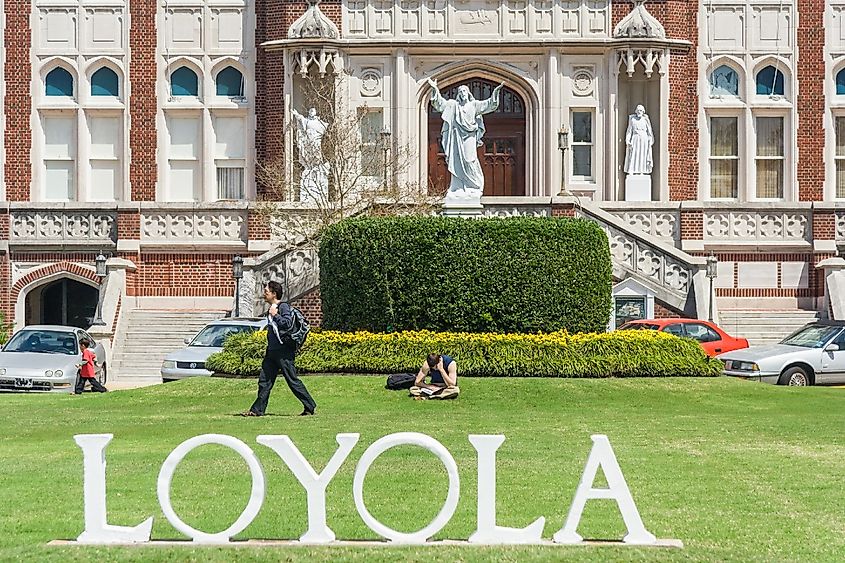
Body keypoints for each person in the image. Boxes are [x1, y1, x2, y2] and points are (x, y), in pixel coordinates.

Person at [242, 280, 316, 417]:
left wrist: (276, 315)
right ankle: (257, 410)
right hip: (271, 352)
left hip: (284, 352)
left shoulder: (283, 307)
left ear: (274, 294)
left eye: (266, 292)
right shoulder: (270, 309)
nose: (264, 295)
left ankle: (310, 406)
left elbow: (287, 323)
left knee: (292, 380)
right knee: (264, 381)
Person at [427, 78, 504, 200]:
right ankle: (457, 188)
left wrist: (496, 92)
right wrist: (434, 89)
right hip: (456, 137)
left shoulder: (474, 105)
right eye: (460, 91)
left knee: (469, 160)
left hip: (469, 137)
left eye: (464, 91)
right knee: (456, 161)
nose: (462, 93)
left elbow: (489, 104)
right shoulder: (453, 105)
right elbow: (440, 104)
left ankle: (474, 186)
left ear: (468, 93)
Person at [623, 104, 654, 175]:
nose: (639, 112)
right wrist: (627, 140)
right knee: (634, 154)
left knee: (642, 155)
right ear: (636, 111)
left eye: (641, 110)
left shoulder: (646, 120)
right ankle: (632, 169)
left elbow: (649, 132)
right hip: (635, 138)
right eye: (638, 110)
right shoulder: (632, 120)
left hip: (644, 139)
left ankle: (642, 170)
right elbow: (629, 131)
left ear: (643, 111)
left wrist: (650, 140)